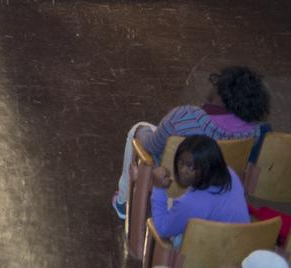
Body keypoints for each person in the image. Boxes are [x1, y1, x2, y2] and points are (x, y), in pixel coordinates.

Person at [113, 65, 270, 219]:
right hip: (216, 191)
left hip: (175, 183)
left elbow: (151, 146)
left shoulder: (186, 116)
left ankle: (124, 202)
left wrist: (141, 132)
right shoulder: (254, 133)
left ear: (222, 94)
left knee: (139, 130)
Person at [149, 135, 250, 245]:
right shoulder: (229, 172)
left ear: (207, 167)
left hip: (210, 254)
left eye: (191, 167)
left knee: (161, 217)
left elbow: (162, 229)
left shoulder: (189, 203)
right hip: (241, 243)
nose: (183, 170)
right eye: (181, 162)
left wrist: (158, 188)